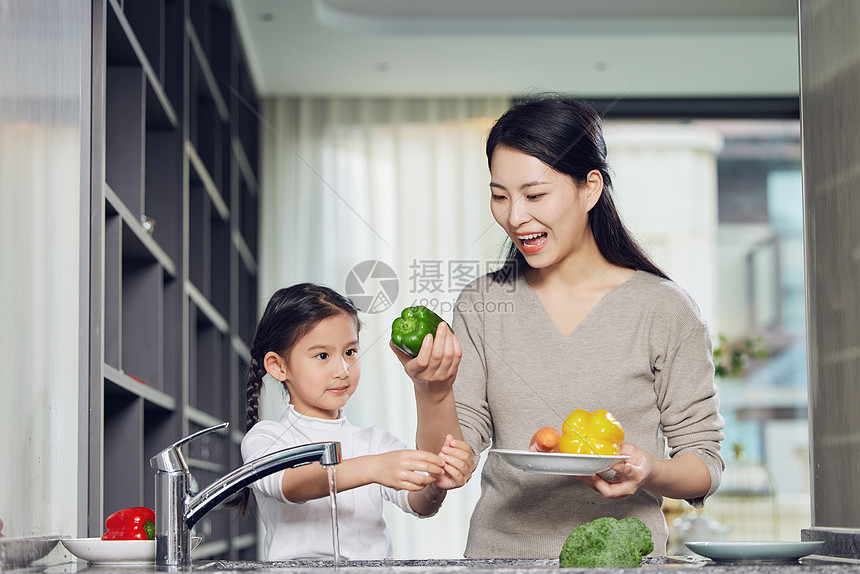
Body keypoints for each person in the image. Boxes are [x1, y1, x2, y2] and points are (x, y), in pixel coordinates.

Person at [391, 96, 725, 558]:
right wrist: (432, 389)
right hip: (500, 561)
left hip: (622, 561)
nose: (514, 217)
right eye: (499, 196)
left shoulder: (664, 309)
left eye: (534, 195)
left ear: (590, 189)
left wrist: (650, 470)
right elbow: (451, 462)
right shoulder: (482, 303)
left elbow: (704, 463)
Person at [235, 283, 473, 560]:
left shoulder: (375, 442)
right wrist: (373, 467)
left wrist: (436, 484)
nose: (342, 370)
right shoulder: (266, 438)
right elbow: (289, 485)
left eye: (350, 352)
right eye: (322, 356)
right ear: (278, 366)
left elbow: (420, 505)